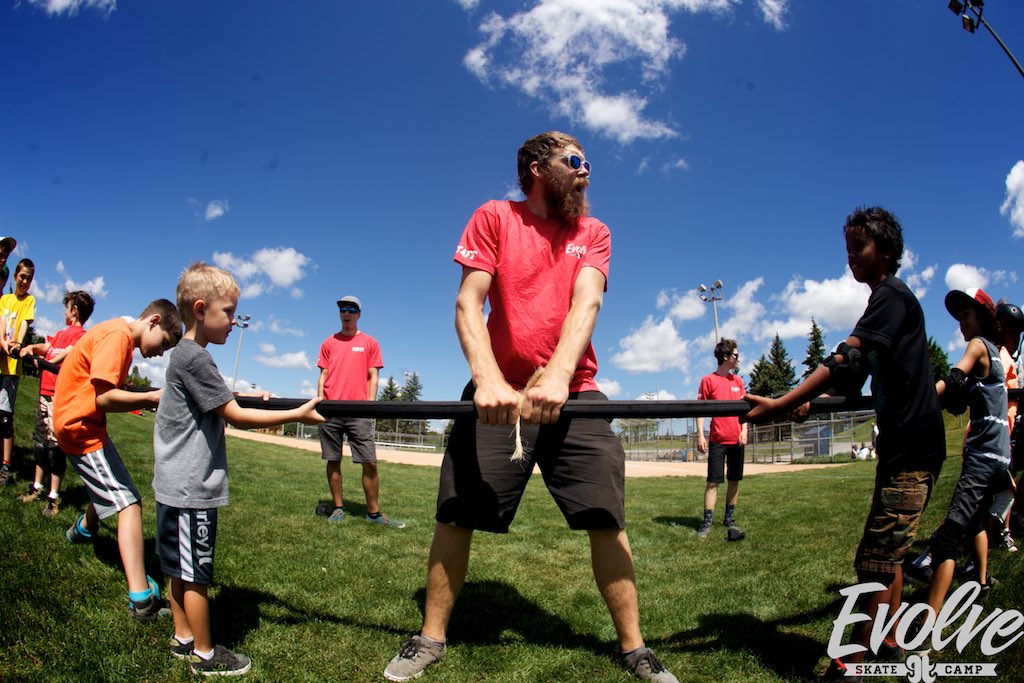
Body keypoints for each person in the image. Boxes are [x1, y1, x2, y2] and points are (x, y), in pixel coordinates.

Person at [384, 132, 678, 683]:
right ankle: (430, 637)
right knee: (456, 513)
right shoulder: (494, 217)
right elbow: (468, 303)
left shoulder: (594, 231)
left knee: (606, 517)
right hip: (500, 390)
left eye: (588, 163)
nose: (586, 171)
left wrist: (560, 376)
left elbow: (587, 302)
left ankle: (635, 648)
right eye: (576, 160)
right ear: (538, 167)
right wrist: (488, 379)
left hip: (576, 391)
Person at [744, 206, 945, 681]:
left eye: (859, 246)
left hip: (912, 449)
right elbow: (851, 374)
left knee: (874, 562)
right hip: (904, 448)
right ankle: (887, 642)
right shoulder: (884, 302)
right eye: (847, 247)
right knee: (888, 554)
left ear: (887, 250)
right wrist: (812, 403)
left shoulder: (891, 296)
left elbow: (845, 356)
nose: (850, 256)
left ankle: (849, 664)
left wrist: (782, 403)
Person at [153, 262, 324, 676]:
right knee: (196, 574)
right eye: (228, 312)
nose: (233, 320)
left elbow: (218, 397)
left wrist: (245, 394)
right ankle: (205, 654)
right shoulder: (196, 358)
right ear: (200, 310)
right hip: (192, 487)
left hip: (172, 484)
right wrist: (297, 413)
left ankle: (182, 637)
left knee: (178, 567)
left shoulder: (185, 356)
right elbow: (235, 416)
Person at [53, 298, 182, 621]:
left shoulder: (117, 333)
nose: (161, 353)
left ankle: (82, 530)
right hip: (80, 429)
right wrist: (151, 397)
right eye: (163, 343)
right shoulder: (119, 337)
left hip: (85, 425)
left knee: (113, 483)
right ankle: (141, 599)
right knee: (128, 504)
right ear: (154, 321)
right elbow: (105, 398)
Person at [915, 288, 1009, 618]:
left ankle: (929, 623)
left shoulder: (978, 345)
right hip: (1000, 458)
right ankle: (981, 584)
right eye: (959, 318)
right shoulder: (995, 354)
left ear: (982, 318)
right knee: (976, 522)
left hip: (982, 459)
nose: (961, 323)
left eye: (966, 315)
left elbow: (955, 378)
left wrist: (921, 401)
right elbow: (964, 395)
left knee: (949, 537)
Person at [316, 295, 403, 527]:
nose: (347, 313)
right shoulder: (328, 343)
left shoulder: (369, 343)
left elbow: (374, 375)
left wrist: (369, 406)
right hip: (331, 410)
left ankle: (373, 513)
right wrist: (321, 403)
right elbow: (323, 374)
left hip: (359, 411)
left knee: (370, 462)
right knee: (333, 460)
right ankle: (338, 508)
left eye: (352, 310)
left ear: (359, 315)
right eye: (343, 309)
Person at [17, 290, 95, 517]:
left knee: (54, 446)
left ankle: (53, 497)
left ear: (74, 311)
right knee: (40, 441)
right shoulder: (60, 334)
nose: (64, 312)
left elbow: (69, 353)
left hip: (58, 396)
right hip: (44, 393)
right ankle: (37, 487)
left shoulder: (82, 337)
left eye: (66, 308)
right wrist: (31, 349)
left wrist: (46, 362)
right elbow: (46, 347)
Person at [695, 338, 747, 538]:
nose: (738, 359)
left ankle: (729, 519)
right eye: (736, 355)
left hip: (737, 440)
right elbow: (700, 410)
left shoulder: (738, 381)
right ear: (726, 357)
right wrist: (701, 434)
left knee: (734, 480)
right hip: (717, 440)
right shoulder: (708, 380)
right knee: (713, 483)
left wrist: (744, 431)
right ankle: (707, 523)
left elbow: (744, 411)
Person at [0, 258, 36, 486]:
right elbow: (2, 323)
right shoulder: (4, 299)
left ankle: (6, 465)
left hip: (11, 368)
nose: (25, 282)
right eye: (22, 277)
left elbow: (23, 323)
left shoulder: (29, 300)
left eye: (29, 279)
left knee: (5, 417)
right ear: (15, 276)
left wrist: (17, 344)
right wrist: (3, 342)